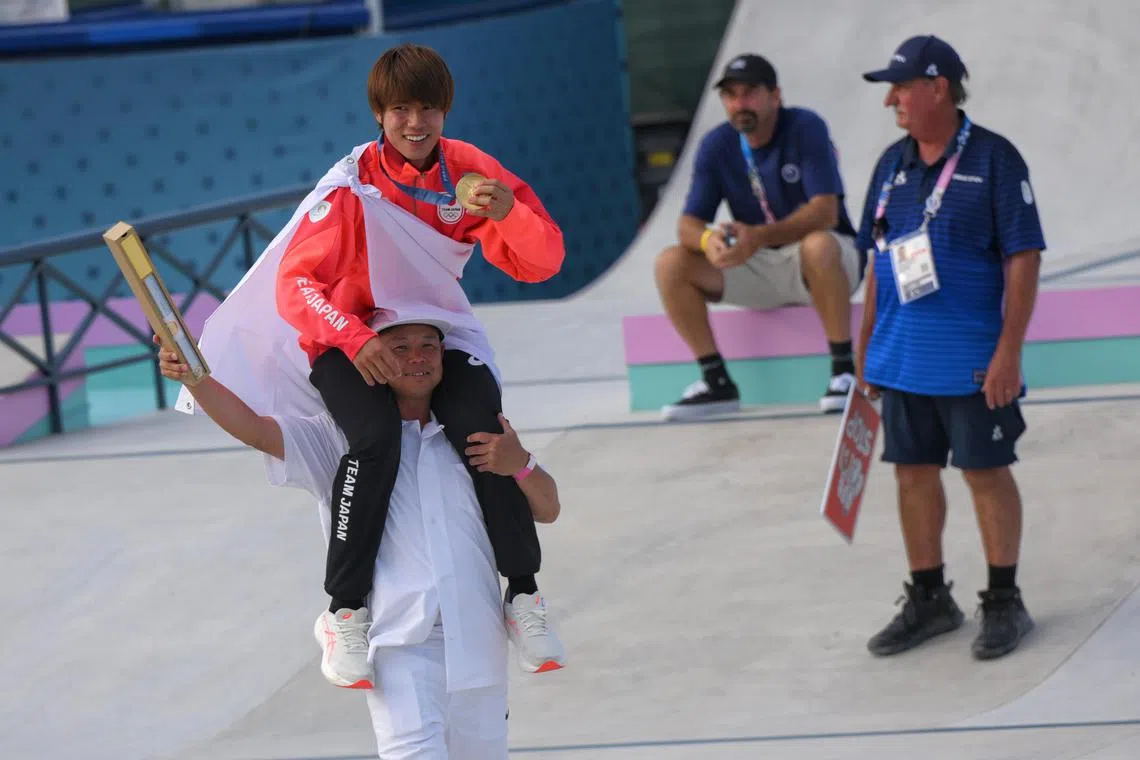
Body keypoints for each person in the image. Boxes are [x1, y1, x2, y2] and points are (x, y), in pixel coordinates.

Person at [179, 43, 566, 688]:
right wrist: (355, 339)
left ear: (446, 112)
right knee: (374, 436)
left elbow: (542, 261)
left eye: (428, 109)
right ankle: (345, 610)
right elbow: (295, 286)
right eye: (400, 110)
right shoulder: (351, 188)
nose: (416, 123)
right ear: (379, 115)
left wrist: (508, 214)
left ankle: (523, 593)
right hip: (347, 339)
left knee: (482, 429)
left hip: (435, 332)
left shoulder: (471, 171)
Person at [160, 316, 561, 758]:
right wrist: (195, 378)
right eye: (400, 347)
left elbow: (548, 508)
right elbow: (255, 428)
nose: (417, 358)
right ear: (373, 358)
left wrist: (520, 463)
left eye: (428, 345)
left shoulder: (479, 435)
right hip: (398, 645)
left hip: (479, 641)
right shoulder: (339, 439)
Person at [854, 35, 1044, 660]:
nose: (891, 100)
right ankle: (930, 598)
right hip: (902, 357)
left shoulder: (994, 159)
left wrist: (1009, 351)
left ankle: (1004, 600)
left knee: (985, 472)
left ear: (938, 88)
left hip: (971, 359)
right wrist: (866, 349)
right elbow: (879, 261)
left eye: (901, 87)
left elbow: (1023, 257)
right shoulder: (891, 165)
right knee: (912, 473)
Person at [654, 53, 863, 421]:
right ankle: (716, 381)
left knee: (818, 245)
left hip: (828, 260)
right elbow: (688, 224)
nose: (739, 104)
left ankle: (844, 372)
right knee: (670, 263)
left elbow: (825, 212)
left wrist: (758, 237)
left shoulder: (805, 127)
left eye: (749, 93)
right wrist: (708, 243)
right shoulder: (717, 144)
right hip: (760, 261)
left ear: (775, 95)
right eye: (731, 95)